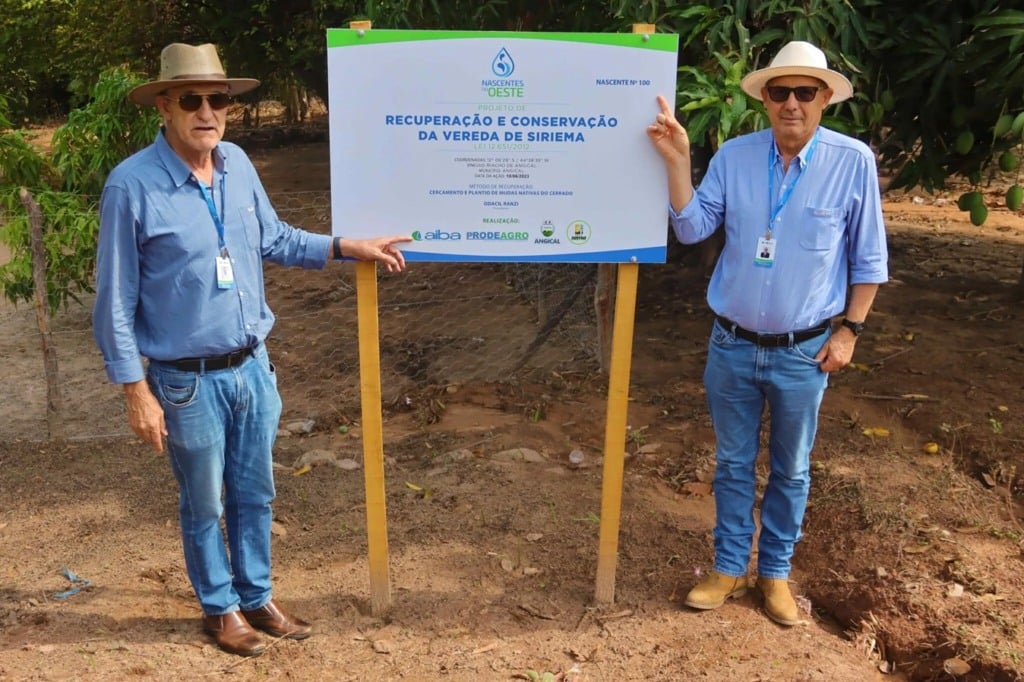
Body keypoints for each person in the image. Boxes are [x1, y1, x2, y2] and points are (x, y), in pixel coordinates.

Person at [92, 43, 411, 656]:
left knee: (256, 490)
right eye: (192, 99)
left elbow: (277, 239)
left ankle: (256, 594)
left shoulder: (236, 164)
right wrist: (136, 392)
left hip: (252, 368)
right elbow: (114, 301)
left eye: (218, 99)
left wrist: (349, 246)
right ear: (164, 106)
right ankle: (220, 607)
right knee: (205, 500)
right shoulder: (130, 187)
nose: (207, 111)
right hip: (186, 381)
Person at [647, 41, 888, 626]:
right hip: (730, 344)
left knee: (792, 469)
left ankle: (774, 574)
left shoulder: (852, 162)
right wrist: (679, 162)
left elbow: (869, 258)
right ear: (765, 99)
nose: (792, 104)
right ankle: (729, 567)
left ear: (825, 98)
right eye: (780, 92)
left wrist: (850, 331)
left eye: (805, 92)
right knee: (732, 464)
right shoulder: (734, 155)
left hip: (805, 354)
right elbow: (693, 227)